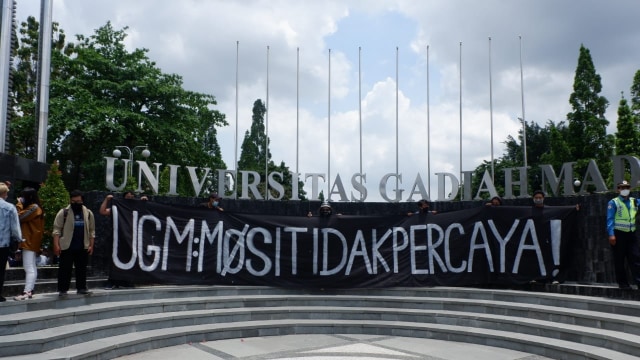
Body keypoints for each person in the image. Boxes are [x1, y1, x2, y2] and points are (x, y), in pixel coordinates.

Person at [52, 190, 95, 296]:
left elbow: (92, 230)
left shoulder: (88, 213)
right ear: (70, 200)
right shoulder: (64, 212)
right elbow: (56, 230)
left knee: (81, 269)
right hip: (67, 245)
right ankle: (62, 289)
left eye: (78, 201)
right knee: (65, 269)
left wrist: (91, 245)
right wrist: (56, 245)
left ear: (82, 201)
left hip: (82, 245)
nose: (76, 203)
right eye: (73, 201)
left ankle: (81, 288)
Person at [99, 192, 145, 289]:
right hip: (118, 239)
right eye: (128, 197)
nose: (130, 199)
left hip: (131, 240)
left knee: (129, 259)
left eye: (132, 197)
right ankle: (112, 281)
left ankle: (127, 281)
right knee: (115, 260)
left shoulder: (136, 209)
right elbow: (102, 211)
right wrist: (107, 200)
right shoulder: (118, 208)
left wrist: (144, 202)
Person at [606, 181, 640, 290]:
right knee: (619, 259)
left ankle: (639, 282)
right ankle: (623, 283)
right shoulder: (614, 202)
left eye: (627, 187)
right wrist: (611, 234)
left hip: (631, 234)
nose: (625, 189)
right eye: (622, 187)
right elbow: (610, 219)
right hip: (619, 234)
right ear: (618, 189)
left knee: (636, 258)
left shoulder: (634, 201)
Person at [14, 187, 45, 301]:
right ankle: (30, 290)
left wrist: (19, 204)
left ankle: (27, 291)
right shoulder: (36, 207)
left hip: (30, 240)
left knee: (29, 267)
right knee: (31, 266)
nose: (22, 199)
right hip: (31, 240)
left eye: (23, 197)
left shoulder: (34, 208)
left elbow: (19, 217)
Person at [0, 182, 23, 302]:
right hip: (2, 243)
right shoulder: (9, 207)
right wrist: (19, 239)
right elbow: (15, 228)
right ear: (4, 193)